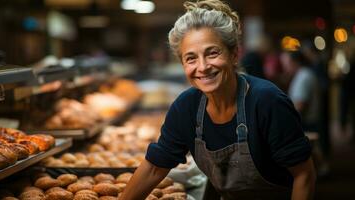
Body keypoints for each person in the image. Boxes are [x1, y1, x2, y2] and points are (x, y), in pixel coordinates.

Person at [119, 1, 316, 199]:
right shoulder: (186, 108)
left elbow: (304, 175)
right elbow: (154, 168)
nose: (203, 67)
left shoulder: (266, 101)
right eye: (191, 58)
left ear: (234, 54)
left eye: (212, 53)